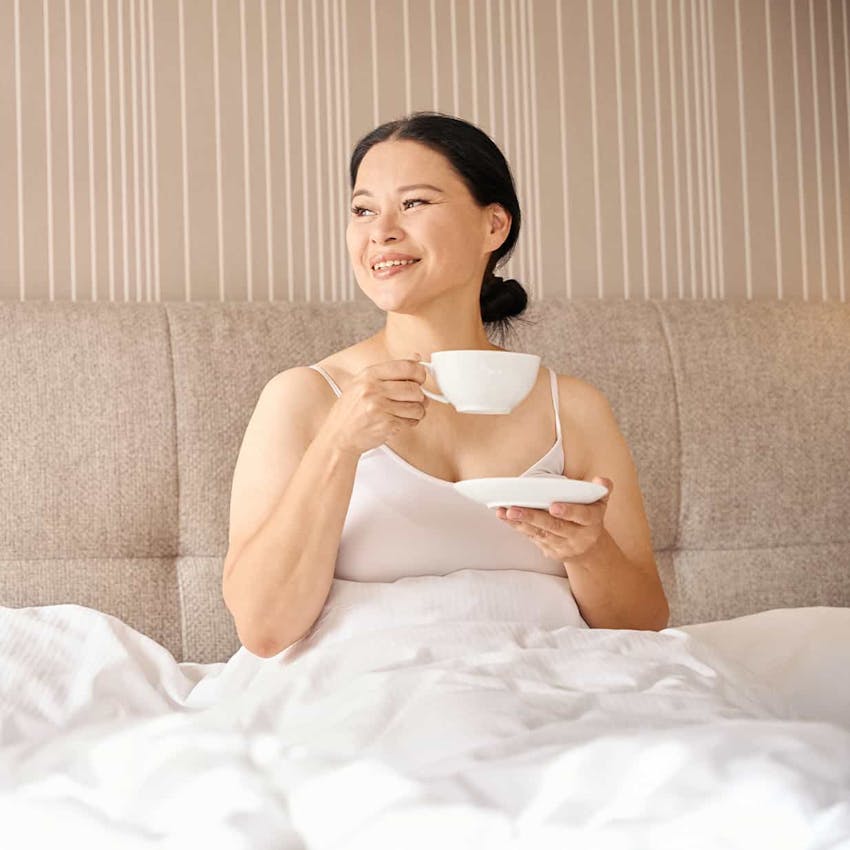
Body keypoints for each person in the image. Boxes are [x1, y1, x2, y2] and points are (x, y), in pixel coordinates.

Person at [222, 112, 669, 658]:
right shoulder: (306, 398)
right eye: (363, 210)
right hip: (365, 694)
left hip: (549, 687)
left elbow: (644, 626)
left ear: (493, 226)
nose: (381, 230)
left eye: (413, 203)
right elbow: (263, 630)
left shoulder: (571, 408)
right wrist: (338, 444)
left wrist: (588, 549)